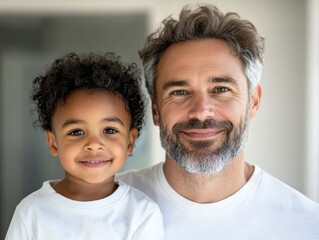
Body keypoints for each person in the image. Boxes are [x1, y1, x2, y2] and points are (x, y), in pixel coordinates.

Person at [117, 4, 319, 239]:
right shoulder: (103, 206)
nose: (201, 112)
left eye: (221, 89)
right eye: (179, 92)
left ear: (253, 102)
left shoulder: (308, 225)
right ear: (155, 109)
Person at [5, 52, 164, 240]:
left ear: (130, 141)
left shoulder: (142, 213)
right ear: (53, 143)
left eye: (110, 130)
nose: (94, 144)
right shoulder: (31, 212)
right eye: (77, 132)